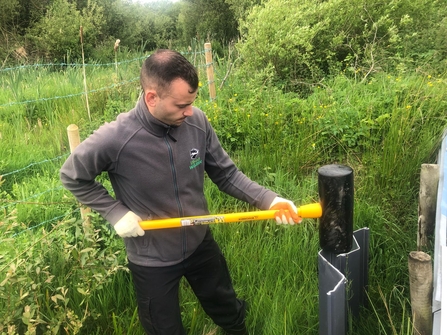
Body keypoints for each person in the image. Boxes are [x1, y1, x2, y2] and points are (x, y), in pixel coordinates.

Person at [60, 49, 301, 335]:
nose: (189, 112)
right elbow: (72, 176)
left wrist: (269, 199)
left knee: (228, 308)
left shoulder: (196, 122)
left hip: (199, 240)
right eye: (180, 105)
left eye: (192, 102)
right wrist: (115, 212)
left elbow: (226, 174)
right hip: (152, 257)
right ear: (152, 98)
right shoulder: (115, 138)